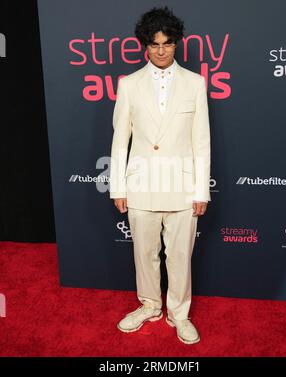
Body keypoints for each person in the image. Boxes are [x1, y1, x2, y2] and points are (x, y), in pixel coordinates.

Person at [109, 6, 211, 345]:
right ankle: (150, 305)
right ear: (145, 46)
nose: (162, 50)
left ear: (177, 43)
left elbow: (202, 142)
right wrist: (118, 187)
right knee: (144, 254)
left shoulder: (195, 84)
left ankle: (178, 314)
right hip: (141, 185)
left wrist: (201, 191)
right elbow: (119, 140)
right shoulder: (129, 85)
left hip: (182, 188)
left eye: (168, 43)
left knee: (180, 256)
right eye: (155, 44)